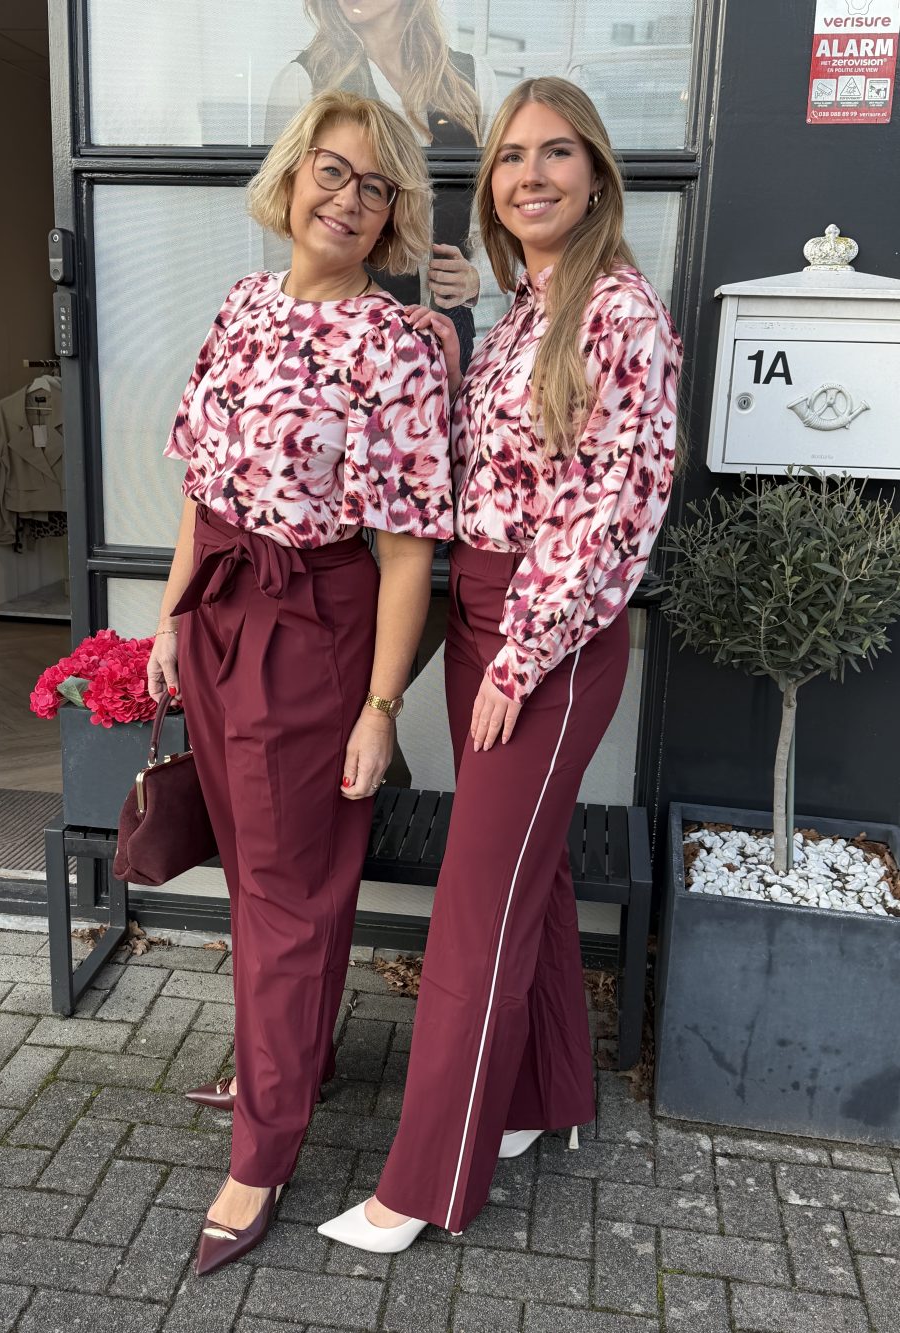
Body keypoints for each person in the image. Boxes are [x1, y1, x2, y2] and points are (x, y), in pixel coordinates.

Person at [319, 75, 683, 1252]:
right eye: (511, 157)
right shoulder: (528, 308)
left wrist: (518, 657)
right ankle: (543, 1096)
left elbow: (611, 512)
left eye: (556, 153)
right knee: (528, 872)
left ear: (596, 176)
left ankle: (424, 1184)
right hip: (485, 617)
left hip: (546, 639)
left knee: (474, 908)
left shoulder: (620, 314)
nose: (529, 173)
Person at [147, 89, 452, 1273]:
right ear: (293, 176)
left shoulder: (398, 345)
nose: (348, 198)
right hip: (222, 615)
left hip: (310, 631)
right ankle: (295, 1058)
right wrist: (173, 616)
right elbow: (198, 480)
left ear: (390, 218)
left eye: (375, 188)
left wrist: (380, 709)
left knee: (287, 896)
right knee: (261, 875)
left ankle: (263, 1152)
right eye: (334, 170)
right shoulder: (240, 305)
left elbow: (409, 548)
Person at [266, 0, 499, 370]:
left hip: (448, 333)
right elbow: (282, 234)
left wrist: (476, 279)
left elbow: (490, 215)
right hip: (343, 329)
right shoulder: (304, 80)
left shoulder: (470, 79)